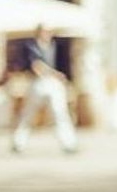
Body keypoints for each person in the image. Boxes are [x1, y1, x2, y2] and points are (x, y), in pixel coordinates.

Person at [11, 25, 78, 153]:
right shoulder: (31, 46)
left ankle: (68, 142)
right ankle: (18, 142)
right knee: (28, 114)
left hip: (54, 84)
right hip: (38, 83)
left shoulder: (56, 46)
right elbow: (36, 66)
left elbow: (64, 65)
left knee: (60, 113)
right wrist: (55, 74)